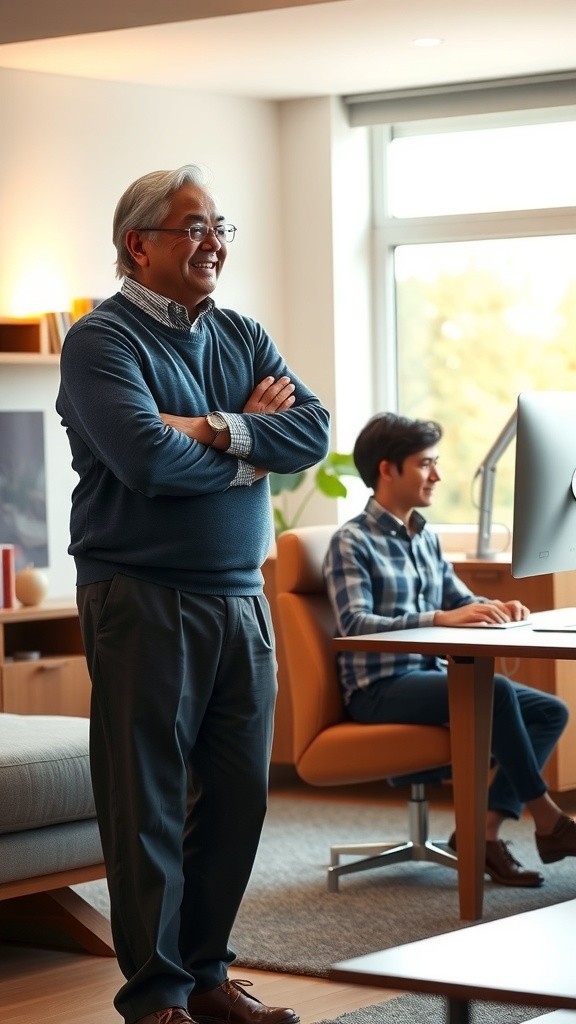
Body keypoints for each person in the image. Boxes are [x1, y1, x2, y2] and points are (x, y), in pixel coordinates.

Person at [56, 164, 330, 1024]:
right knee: (149, 806)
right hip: (142, 596)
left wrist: (211, 427)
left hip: (241, 600)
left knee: (239, 799)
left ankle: (207, 977)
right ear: (139, 245)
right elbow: (143, 459)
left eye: (220, 226)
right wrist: (252, 438)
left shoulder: (242, 332)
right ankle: (158, 998)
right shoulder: (102, 342)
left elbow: (313, 432)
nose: (213, 242)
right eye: (193, 226)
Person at [323, 411, 576, 888]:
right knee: (494, 692)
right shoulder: (351, 541)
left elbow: (459, 600)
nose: (436, 476)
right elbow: (354, 623)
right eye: (425, 464)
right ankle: (548, 821)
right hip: (379, 687)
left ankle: (482, 832)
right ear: (387, 469)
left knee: (550, 712)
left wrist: (496, 607)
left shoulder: (425, 536)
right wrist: (438, 619)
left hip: (427, 676)